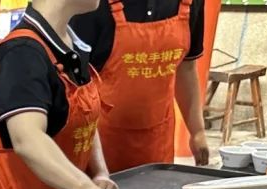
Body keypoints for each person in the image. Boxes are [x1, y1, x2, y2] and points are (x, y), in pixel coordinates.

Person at [0, 0, 133, 189]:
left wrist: (99, 173)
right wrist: (84, 187)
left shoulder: (72, 44)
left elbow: (85, 119)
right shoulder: (21, 53)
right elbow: (28, 139)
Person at [72, 0, 209, 170]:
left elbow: (186, 68)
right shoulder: (92, 5)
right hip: (99, 142)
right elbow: (73, 85)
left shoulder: (191, 3)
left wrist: (197, 131)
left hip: (158, 143)